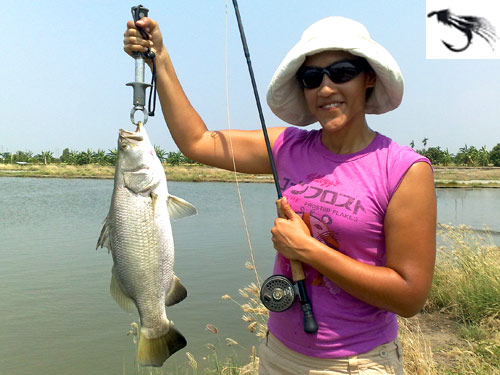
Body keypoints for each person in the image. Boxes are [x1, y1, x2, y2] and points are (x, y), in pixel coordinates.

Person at [124, 15, 436, 375]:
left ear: (369, 77)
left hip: (357, 362)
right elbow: (198, 142)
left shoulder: (403, 169)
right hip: (278, 355)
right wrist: (159, 57)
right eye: (312, 78)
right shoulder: (286, 146)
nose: (326, 88)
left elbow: (410, 296)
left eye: (342, 72)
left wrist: (308, 251)